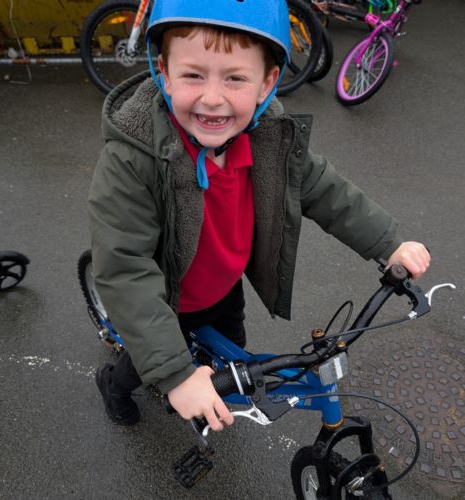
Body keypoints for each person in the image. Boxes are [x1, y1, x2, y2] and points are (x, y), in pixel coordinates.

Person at [88, 0, 430, 430]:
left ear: (267, 82)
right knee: (145, 363)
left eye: (235, 78)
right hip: (167, 296)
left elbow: (324, 189)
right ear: (165, 72)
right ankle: (113, 385)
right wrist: (174, 374)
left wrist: (388, 242)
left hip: (224, 285)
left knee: (234, 358)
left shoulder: (268, 137)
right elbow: (124, 268)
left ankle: (209, 392)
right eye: (193, 75)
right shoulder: (132, 160)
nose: (213, 98)